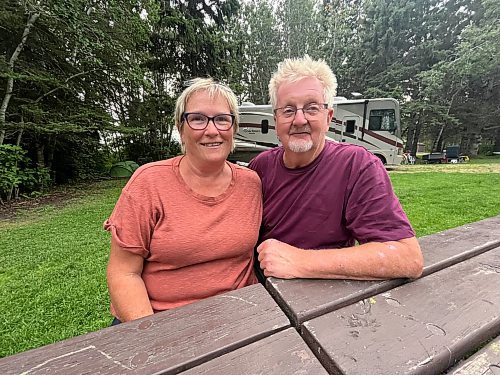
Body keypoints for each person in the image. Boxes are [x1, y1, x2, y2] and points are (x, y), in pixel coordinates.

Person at [249, 56, 423, 280]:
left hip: (327, 301)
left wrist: (301, 262)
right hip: (262, 299)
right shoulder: (259, 168)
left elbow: (407, 257)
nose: (299, 119)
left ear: (328, 117)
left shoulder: (356, 165)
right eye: (288, 110)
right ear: (276, 119)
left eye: (312, 108)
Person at [104, 78, 262, 324]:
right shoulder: (149, 182)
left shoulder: (251, 184)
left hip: (235, 316)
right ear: (181, 129)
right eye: (198, 119)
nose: (212, 130)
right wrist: (151, 334)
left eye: (222, 119)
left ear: (234, 128)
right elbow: (124, 273)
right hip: (158, 320)